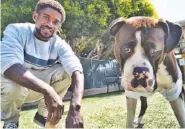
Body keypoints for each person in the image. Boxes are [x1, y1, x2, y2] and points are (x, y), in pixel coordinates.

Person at [1, 0, 84, 128]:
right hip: (10, 88)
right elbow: (11, 68)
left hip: (34, 90)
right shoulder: (16, 30)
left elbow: (77, 71)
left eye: (56, 22)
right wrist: (48, 90)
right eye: (46, 18)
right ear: (35, 16)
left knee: (67, 73)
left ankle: (43, 115)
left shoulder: (59, 44)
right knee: (14, 84)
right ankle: (11, 122)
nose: (50, 24)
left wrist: (75, 109)